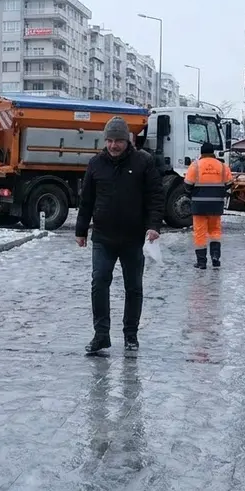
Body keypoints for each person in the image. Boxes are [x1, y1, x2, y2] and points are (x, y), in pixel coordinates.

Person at [75, 116, 163, 356]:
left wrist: (154, 225)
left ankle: (130, 334)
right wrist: (81, 229)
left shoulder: (143, 162)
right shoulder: (96, 164)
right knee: (99, 283)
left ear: (128, 140)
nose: (113, 146)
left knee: (133, 287)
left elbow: (155, 196)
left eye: (119, 141)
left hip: (133, 238)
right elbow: (87, 200)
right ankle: (101, 335)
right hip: (103, 237)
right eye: (110, 140)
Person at [184, 141, 232, 269]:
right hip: (216, 205)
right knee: (215, 230)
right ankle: (215, 257)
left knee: (200, 232)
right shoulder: (222, 166)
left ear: (201, 153)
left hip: (199, 205)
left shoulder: (195, 166)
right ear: (213, 152)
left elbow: (187, 185)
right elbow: (229, 183)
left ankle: (201, 262)